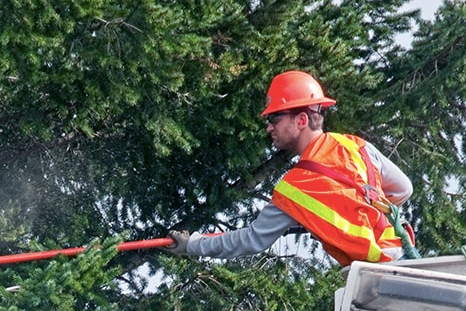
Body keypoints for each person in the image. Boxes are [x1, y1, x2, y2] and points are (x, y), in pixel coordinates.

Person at [168, 70, 413, 266]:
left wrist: (192, 245)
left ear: (302, 119)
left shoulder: (297, 187)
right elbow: (404, 190)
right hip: (401, 256)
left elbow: (251, 240)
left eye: (274, 118)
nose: (269, 127)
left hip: (376, 273)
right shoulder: (356, 146)